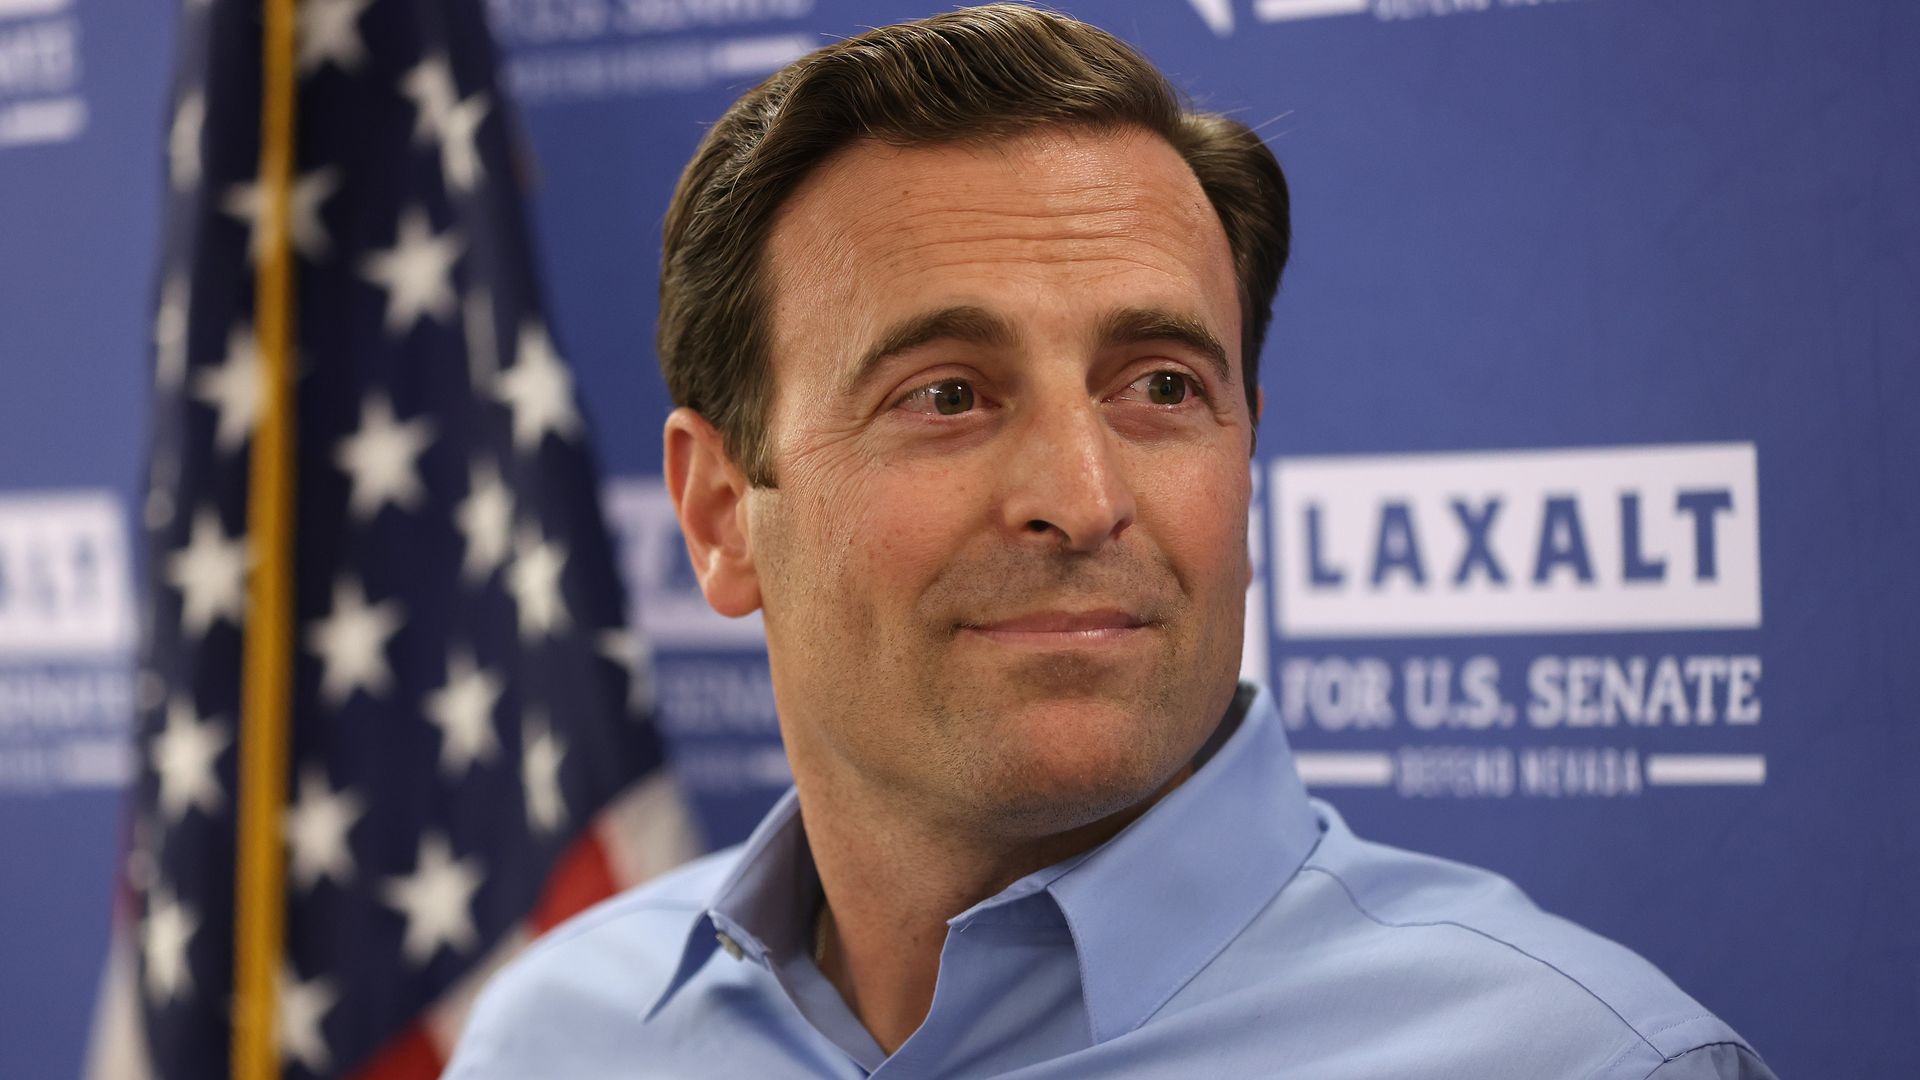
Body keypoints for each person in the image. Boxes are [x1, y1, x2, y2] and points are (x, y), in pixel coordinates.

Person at [447, 6, 1774, 1077]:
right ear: (722, 512)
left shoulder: (1586, 1063)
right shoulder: (552, 1040)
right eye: (948, 395)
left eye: (1159, 387)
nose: (1082, 499)